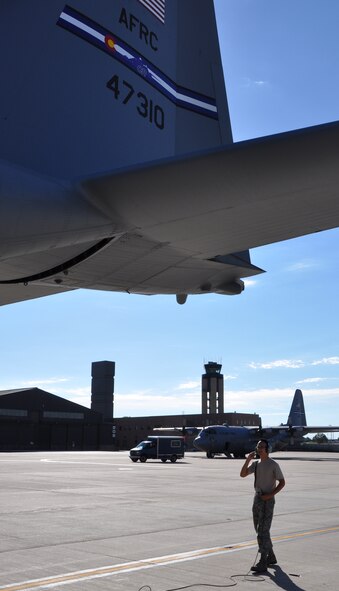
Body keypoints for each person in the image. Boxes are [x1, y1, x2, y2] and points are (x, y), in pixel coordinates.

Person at [240, 439, 285, 572]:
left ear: (268, 449)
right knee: (259, 529)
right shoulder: (256, 464)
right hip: (258, 498)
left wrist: (270, 495)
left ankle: (263, 561)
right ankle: (271, 556)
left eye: (262, 447)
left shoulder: (273, 465)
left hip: (268, 500)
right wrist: (248, 460)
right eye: (258, 447)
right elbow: (242, 474)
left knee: (262, 531)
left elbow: (282, 482)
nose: (259, 449)